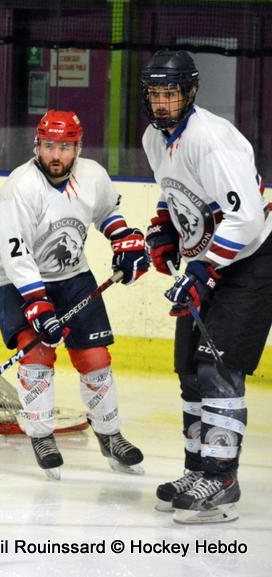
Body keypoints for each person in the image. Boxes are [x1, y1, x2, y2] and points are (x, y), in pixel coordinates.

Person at [140, 50, 272, 524]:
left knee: (218, 367)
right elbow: (174, 192)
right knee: (189, 370)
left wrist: (204, 270)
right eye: (155, 94)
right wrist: (163, 229)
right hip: (210, 263)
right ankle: (197, 470)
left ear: (190, 92)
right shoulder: (155, 139)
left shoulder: (212, 140)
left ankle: (222, 478)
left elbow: (246, 217)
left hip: (250, 262)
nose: (162, 103)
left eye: (171, 94)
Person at [0, 109, 149, 479]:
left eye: (64, 147)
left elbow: (107, 212)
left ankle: (109, 434)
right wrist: (38, 304)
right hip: (14, 280)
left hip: (72, 276)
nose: (55, 155)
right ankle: (41, 436)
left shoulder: (92, 175)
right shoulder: (20, 187)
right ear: (37, 146)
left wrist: (123, 240)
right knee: (38, 353)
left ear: (78, 148)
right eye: (48, 146)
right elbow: (16, 255)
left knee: (95, 357)